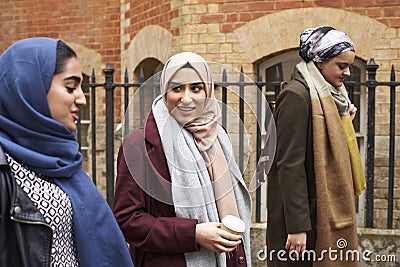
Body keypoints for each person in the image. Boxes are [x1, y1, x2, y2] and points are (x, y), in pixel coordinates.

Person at [0, 37, 134, 267]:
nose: (82, 98)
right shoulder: (5, 165)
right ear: (28, 87)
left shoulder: (63, 159)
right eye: (70, 87)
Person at [113, 52, 252, 267]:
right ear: (164, 92)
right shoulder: (138, 145)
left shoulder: (219, 137)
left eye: (196, 88)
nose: (186, 98)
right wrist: (193, 233)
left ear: (208, 91)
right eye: (177, 88)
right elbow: (128, 221)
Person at [266, 26, 366, 266]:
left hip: (318, 211)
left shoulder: (332, 97)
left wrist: (343, 122)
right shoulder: (296, 96)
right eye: (341, 66)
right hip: (301, 220)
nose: (347, 73)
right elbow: (289, 164)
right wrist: (297, 227)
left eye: (349, 66)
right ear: (320, 61)